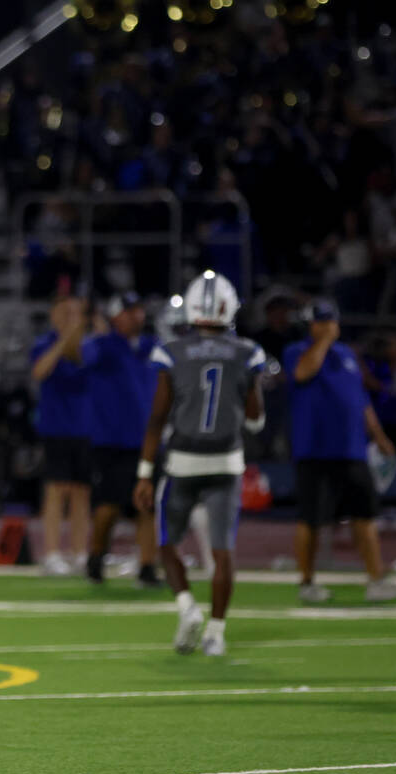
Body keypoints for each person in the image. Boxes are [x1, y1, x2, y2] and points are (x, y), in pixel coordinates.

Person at [134, 272, 265, 656]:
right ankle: (218, 632)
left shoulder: (172, 352)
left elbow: (158, 418)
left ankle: (188, 607)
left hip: (183, 462)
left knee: (167, 543)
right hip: (226, 462)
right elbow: (257, 421)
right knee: (222, 551)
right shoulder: (247, 352)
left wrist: (144, 472)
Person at [283, 300, 396, 603]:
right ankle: (307, 583)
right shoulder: (296, 351)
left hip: (351, 449)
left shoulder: (347, 355)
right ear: (310, 324)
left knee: (365, 516)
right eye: (322, 321)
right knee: (311, 520)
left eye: (331, 321)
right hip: (314, 449)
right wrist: (324, 340)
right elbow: (303, 372)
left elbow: (360, 399)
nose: (329, 326)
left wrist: (378, 435)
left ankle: (376, 580)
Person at [83, 292, 162, 587]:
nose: (135, 316)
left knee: (147, 506)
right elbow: (81, 356)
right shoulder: (103, 346)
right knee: (108, 505)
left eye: (138, 310)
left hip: (147, 440)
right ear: (115, 317)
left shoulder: (153, 346)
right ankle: (96, 558)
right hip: (112, 440)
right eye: (128, 311)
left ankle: (147, 567)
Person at [29, 295, 91, 576]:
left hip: (86, 427)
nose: (71, 317)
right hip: (56, 427)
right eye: (65, 311)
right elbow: (40, 371)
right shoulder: (45, 343)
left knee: (81, 492)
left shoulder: (89, 345)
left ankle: (80, 553)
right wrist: (65, 338)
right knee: (56, 490)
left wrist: (78, 337)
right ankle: (52, 552)